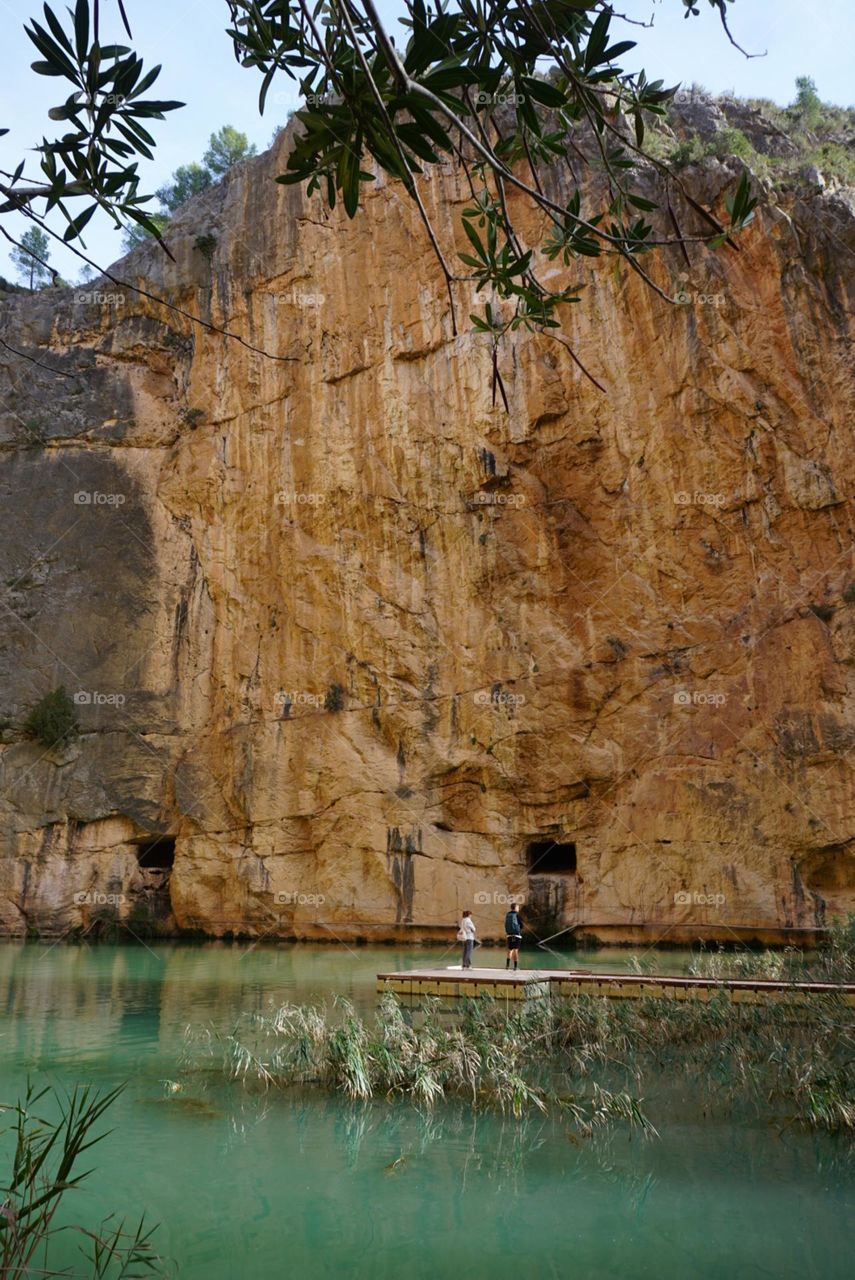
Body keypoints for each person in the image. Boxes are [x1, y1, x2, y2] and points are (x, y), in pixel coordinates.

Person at [504, 903, 523, 970]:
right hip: (517, 935)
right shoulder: (517, 915)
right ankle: (515, 967)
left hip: (509, 935)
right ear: (515, 908)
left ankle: (507, 966)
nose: (518, 909)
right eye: (518, 907)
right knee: (515, 950)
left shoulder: (508, 914)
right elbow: (521, 925)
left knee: (510, 950)